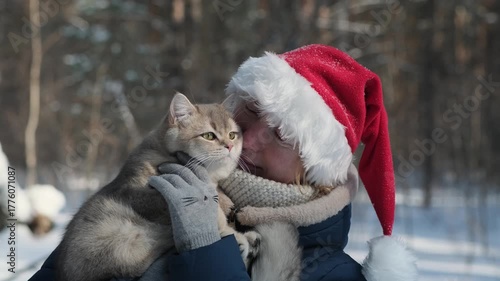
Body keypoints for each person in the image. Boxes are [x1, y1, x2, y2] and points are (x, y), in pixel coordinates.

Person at [29, 44, 417, 281]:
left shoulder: (334, 275)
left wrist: (206, 247)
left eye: (281, 134)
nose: (248, 138)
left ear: (317, 170)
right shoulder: (171, 183)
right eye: (250, 111)